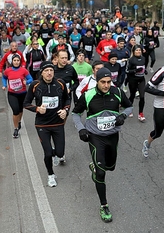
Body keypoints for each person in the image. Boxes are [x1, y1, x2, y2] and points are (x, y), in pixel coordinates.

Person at [72, 67, 133, 223]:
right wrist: (81, 129)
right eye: (102, 82)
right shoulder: (88, 95)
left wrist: (123, 116)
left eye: (108, 82)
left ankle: (96, 166)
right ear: (96, 80)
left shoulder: (117, 92)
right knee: (101, 173)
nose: (106, 85)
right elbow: (76, 114)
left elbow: (129, 106)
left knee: (110, 166)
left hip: (112, 136)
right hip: (95, 137)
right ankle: (104, 205)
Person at [23, 61, 71, 188]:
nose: (49, 73)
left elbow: (67, 99)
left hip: (57, 123)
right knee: (48, 153)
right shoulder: (35, 85)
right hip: (42, 125)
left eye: (51, 70)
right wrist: (37, 109)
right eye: (46, 71)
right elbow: (26, 103)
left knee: (60, 153)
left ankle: (57, 154)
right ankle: (50, 175)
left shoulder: (60, 83)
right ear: (41, 73)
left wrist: (65, 111)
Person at [2, 54, 33, 138]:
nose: (16, 62)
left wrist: (26, 82)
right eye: (14, 60)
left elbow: (31, 79)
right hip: (12, 94)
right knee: (15, 110)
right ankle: (16, 129)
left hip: (22, 93)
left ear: (20, 61)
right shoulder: (8, 70)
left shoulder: (24, 70)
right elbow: (4, 78)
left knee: (20, 109)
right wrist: (4, 85)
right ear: (12, 61)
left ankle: (19, 121)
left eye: (18, 60)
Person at [126, 45, 147, 122]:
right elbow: (127, 71)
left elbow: (144, 67)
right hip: (133, 79)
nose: (138, 52)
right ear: (133, 51)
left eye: (139, 50)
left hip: (141, 79)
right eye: (137, 50)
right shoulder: (131, 60)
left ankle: (140, 113)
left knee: (142, 96)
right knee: (132, 95)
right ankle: (130, 109)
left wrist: (145, 71)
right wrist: (135, 71)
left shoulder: (143, 58)